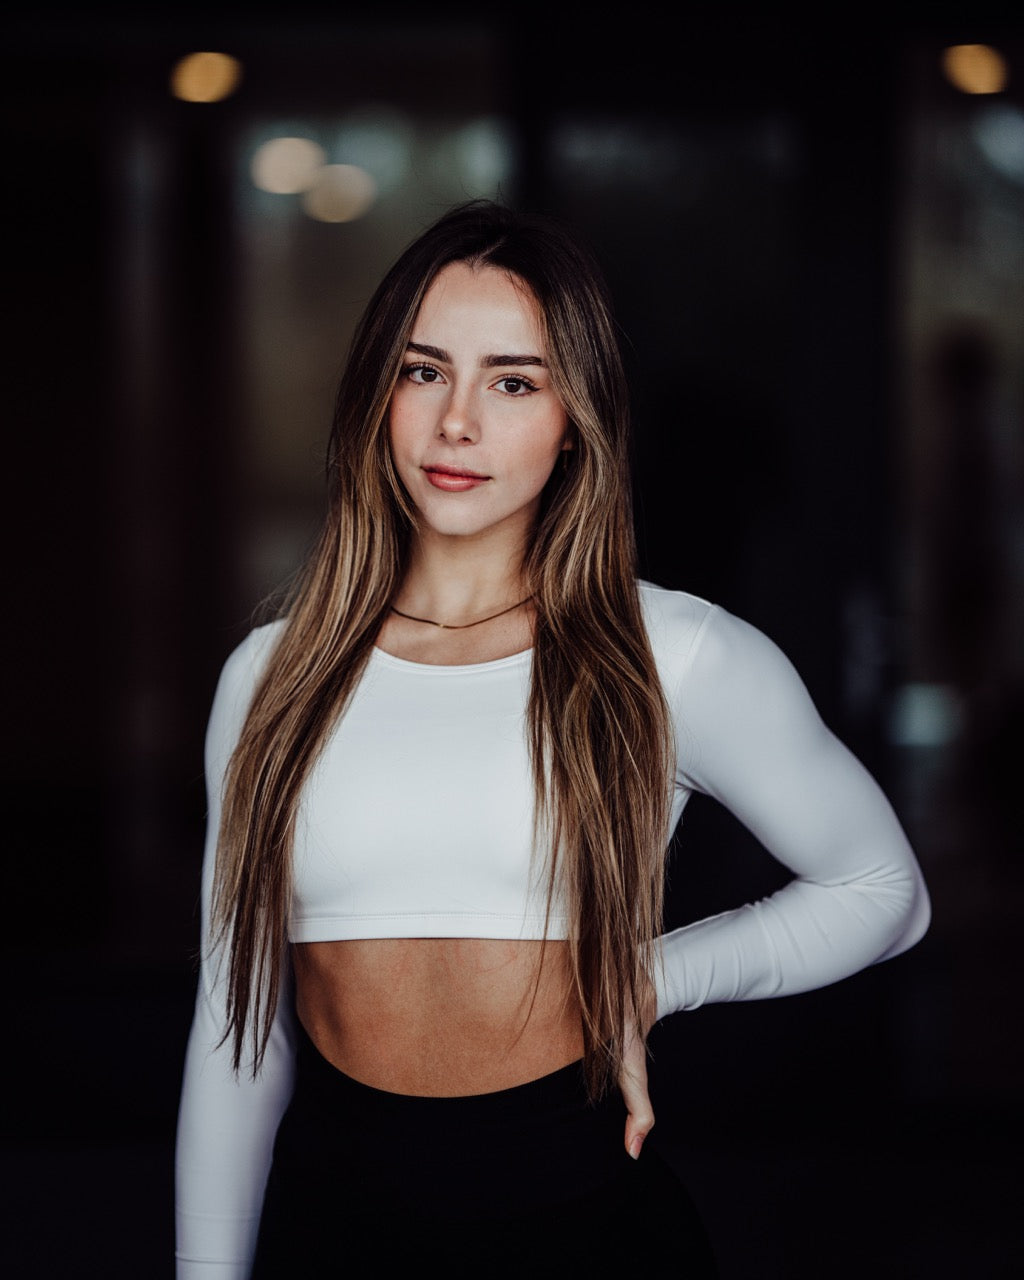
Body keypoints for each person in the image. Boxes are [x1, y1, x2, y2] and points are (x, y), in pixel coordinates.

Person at [174, 200, 930, 1278]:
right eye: (424, 370)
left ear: (575, 417)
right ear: (377, 390)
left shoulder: (675, 655)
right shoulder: (270, 678)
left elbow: (884, 891)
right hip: (331, 1227)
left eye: (514, 382)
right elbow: (234, 1027)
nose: (457, 422)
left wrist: (650, 978)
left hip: (583, 1224)